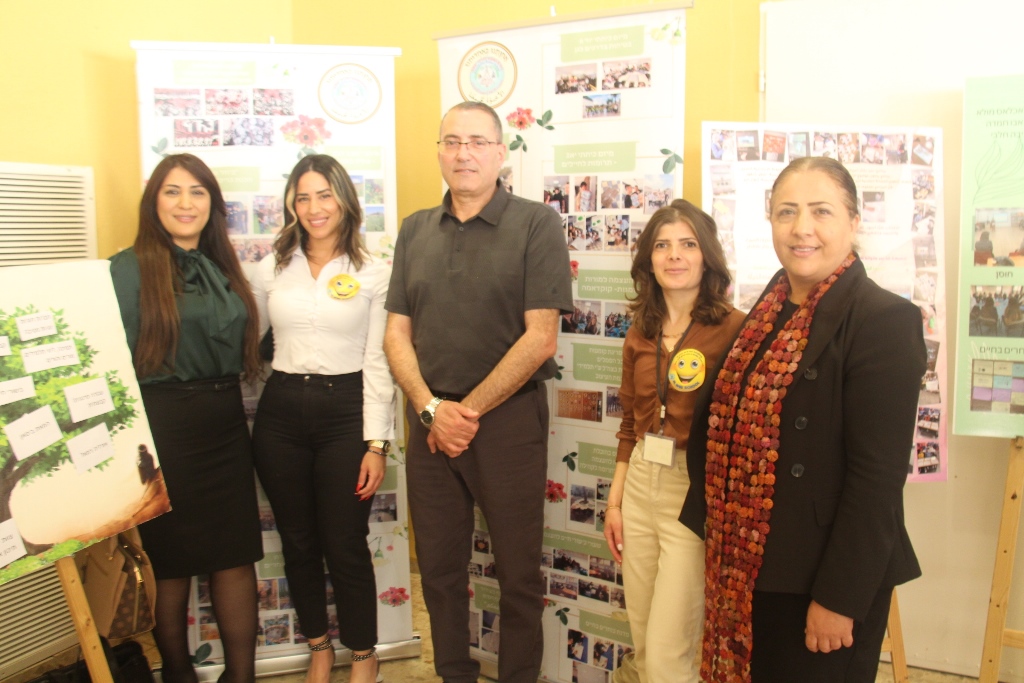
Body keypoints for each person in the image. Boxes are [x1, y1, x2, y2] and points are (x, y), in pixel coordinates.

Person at [680, 157, 925, 682]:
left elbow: (877, 479)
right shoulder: (764, 315)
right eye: (787, 212)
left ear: (854, 221)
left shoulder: (883, 319)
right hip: (747, 565)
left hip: (820, 578)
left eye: (821, 211)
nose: (801, 228)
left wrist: (839, 598)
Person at [383, 101, 572, 683]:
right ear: (439, 151)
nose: (463, 153)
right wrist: (431, 409)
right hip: (430, 423)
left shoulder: (537, 224)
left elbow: (541, 338)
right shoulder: (414, 229)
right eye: (452, 141)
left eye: (477, 142)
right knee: (439, 571)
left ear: (500, 152)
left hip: (506, 423)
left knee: (518, 574)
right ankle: (453, 674)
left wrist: (463, 412)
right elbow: (395, 334)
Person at [109, 153, 263, 683]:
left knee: (234, 556)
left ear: (212, 204)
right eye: (172, 191)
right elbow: (114, 360)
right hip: (163, 429)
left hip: (225, 425)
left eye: (197, 192)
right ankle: (177, 673)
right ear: (153, 201)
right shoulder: (128, 268)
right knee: (169, 563)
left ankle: (240, 676)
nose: (185, 203)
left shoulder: (223, 267)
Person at [250, 155, 393, 683]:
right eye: (303, 196)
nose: (314, 207)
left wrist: (376, 445)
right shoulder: (270, 269)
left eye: (325, 195)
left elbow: (378, 362)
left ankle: (363, 654)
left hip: (345, 414)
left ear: (345, 200)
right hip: (281, 414)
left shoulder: (373, 272)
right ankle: (318, 647)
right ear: (292, 204)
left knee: (345, 543)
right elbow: (248, 344)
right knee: (298, 541)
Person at [602, 201, 745, 683]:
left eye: (688, 244)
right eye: (662, 245)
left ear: (707, 257)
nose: (674, 255)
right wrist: (615, 502)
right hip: (641, 480)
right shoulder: (639, 331)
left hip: (693, 489)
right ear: (649, 260)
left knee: (670, 651)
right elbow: (629, 425)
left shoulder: (734, 328)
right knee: (644, 642)